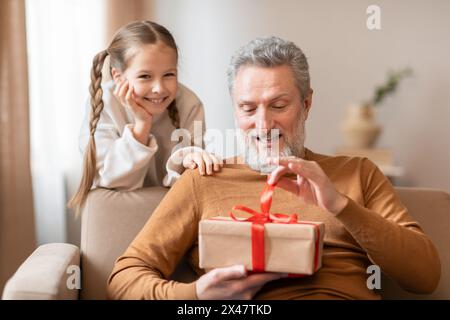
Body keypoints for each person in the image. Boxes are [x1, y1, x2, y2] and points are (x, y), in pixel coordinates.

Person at [106, 37, 441, 300]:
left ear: (306, 104)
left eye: (279, 106)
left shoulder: (358, 173)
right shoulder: (203, 180)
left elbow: (425, 277)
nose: (263, 124)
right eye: (248, 108)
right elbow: (124, 279)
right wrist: (195, 295)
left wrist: (339, 205)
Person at [69, 20, 222, 211]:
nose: (159, 88)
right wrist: (142, 125)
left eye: (169, 74)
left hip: (173, 210)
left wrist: (191, 159)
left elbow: (189, 180)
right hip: (116, 212)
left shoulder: (190, 104)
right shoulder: (104, 104)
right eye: (145, 76)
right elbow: (112, 180)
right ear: (118, 77)